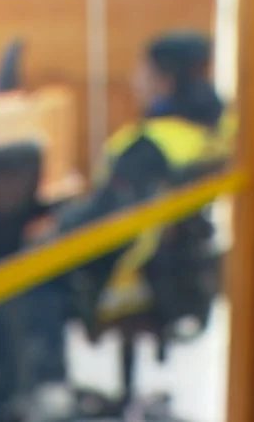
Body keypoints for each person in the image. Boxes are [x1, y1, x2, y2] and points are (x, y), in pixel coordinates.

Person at [23, 31, 236, 414]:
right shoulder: (216, 132)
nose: (136, 80)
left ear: (164, 80)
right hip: (180, 275)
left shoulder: (148, 145)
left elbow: (104, 218)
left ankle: (46, 393)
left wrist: (51, 231)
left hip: (129, 277)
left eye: (143, 71)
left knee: (33, 277)